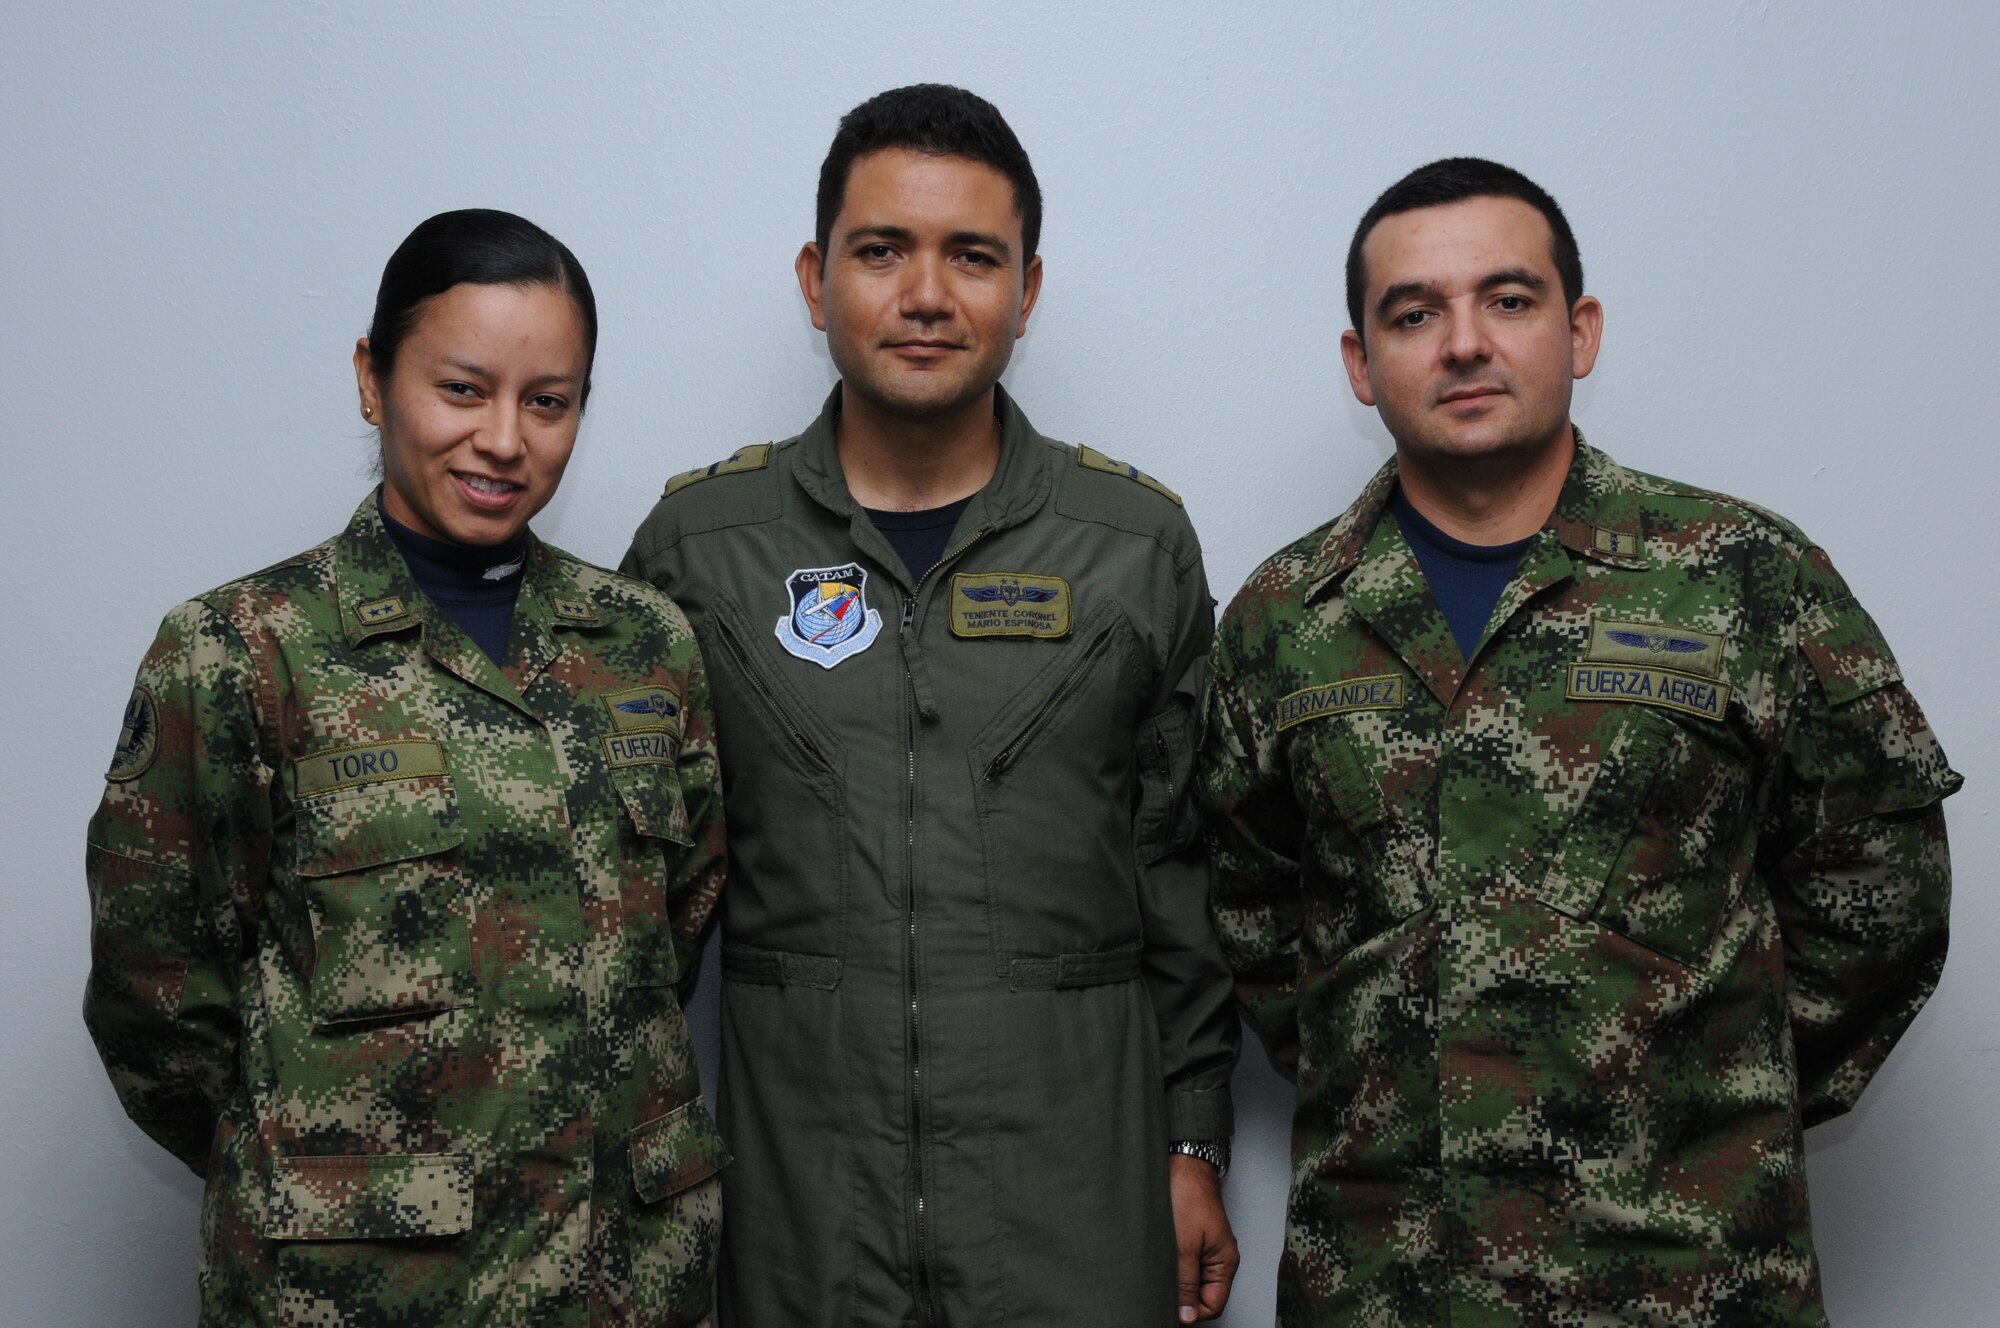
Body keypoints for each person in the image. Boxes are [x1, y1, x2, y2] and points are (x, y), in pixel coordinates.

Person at [1198, 157, 1961, 1326]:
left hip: (1685, 1276)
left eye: (1507, 300)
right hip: (1388, 1278)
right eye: (1413, 312)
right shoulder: (1283, 618)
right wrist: (1419, 1068)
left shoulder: (1743, 577)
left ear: (1579, 329)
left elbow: (1879, 887)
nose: (1462, 342)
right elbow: (1256, 913)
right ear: (1360, 361)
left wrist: (1703, 1082)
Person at [623, 85, 1239, 1326]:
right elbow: (629, 907)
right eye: (879, 250)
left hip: (1068, 1210)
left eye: (971, 255)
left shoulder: (1130, 545)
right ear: (815, 278)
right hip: (798, 1215)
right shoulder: (701, 551)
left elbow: (1181, 866)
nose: (924, 294)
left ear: (1027, 286)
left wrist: (1191, 1143)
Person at [84, 209, 728, 1327]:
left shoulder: (644, 641)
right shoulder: (245, 647)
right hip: (364, 1287)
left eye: (549, 401)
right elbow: (159, 999)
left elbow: (669, 931)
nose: (504, 440)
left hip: (621, 1278)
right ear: (372, 379)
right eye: (462, 389)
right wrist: (323, 1167)